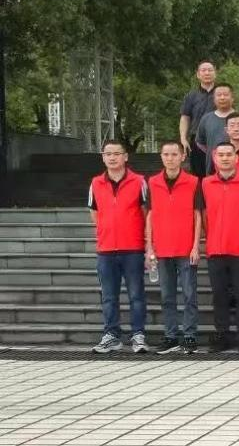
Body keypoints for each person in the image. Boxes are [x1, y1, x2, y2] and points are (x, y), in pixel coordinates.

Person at [89, 139, 149, 354]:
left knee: (136, 295)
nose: (112, 158)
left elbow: (146, 213)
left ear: (125, 156)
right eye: (108, 154)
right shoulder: (96, 183)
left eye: (116, 153)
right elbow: (94, 213)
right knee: (108, 296)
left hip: (133, 248)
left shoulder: (139, 181)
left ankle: (138, 335)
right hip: (106, 249)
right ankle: (111, 336)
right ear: (103, 157)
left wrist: (146, 242)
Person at [145, 140, 200, 355]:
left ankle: (190, 335)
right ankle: (170, 336)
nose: (170, 158)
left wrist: (195, 246)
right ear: (161, 156)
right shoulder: (153, 182)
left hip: (186, 249)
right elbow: (150, 215)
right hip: (162, 248)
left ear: (182, 156)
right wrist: (149, 247)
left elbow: (197, 216)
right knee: (167, 296)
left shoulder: (193, 182)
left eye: (174, 154)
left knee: (189, 295)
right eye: (166, 154)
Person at [201, 142, 239, 353]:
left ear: (236, 158)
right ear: (214, 158)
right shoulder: (206, 183)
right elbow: (203, 215)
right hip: (215, 248)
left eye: (228, 154)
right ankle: (222, 335)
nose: (224, 158)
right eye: (220, 155)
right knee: (219, 295)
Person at [179, 60, 217, 176]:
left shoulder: (221, 94)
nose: (207, 73)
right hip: (197, 139)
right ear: (198, 74)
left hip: (218, 139)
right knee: (198, 174)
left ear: (215, 73)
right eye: (203, 70)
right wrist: (183, 138)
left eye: (210, 70)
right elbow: (185, 118)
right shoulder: (191, 96)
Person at [194, 83, 239, 167]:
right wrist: (214, 153)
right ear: (214, 99)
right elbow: (200, 143)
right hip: (212, 167)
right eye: (219, 95)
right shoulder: (206, 119)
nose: (222, 98)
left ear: (232, 98)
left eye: (226, 95)